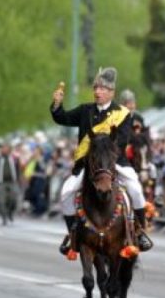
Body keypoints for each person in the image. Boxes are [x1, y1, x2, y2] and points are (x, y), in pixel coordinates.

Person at [51, 67, 151, 255]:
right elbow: (62, 118)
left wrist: (102, 147)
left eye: (102, 88)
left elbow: (122, 141)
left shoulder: (122, 113)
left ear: (111, 92)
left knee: (136, 190)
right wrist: (57, 105)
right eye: (96, 88)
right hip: (89, 164)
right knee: (65, 193)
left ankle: (140, 232)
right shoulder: (84, 110)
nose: (97, 92)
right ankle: (72, 234)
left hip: (115, 162)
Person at [0, 143, 21, 225]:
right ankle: (4, 217)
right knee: (2, 200)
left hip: (12, 182)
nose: (4, 150)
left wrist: (19, 180)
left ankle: (10, 212)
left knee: (13, 199)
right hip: (2, 182)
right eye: (3, 148)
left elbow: (18, 170)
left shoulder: (14, 158)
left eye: (6, 148)